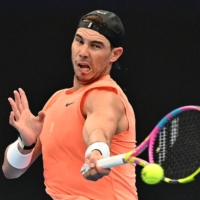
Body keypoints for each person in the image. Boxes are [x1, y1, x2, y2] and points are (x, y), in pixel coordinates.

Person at [2, 10, 138, 200]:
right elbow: (11, 171)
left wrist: (97, 152)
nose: (83, 53)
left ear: (115, 54)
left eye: (95, 46)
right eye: (79, 41)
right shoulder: (57, 100)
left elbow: (98, 129)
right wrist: (25, 144)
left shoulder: (105, 95)